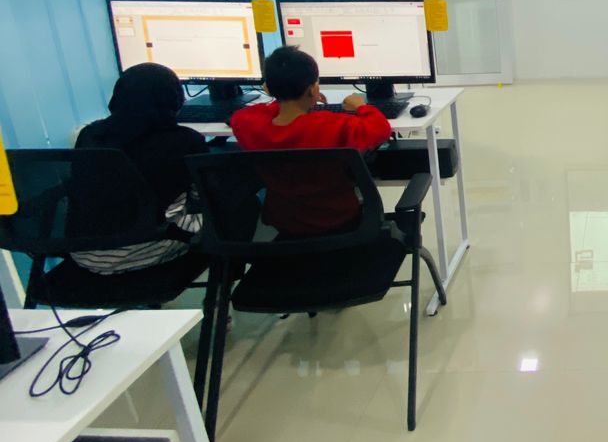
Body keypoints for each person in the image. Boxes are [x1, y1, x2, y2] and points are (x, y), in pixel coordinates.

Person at [230, 46, 393, 234]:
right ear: (312, 89)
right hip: (340, 222)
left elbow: (245, 114)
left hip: (286, 226)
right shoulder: (332, 125)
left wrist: (282, 98)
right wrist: (361, 106)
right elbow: (381, 128)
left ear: (268, 88)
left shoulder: (249, 126)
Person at [72, 63, 209, 274]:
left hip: (83, 252)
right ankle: (227, 274)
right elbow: (204, 197)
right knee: (237, 204)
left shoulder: (89, 135)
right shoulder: (186, 141)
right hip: (146, 249)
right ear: (174, 100)